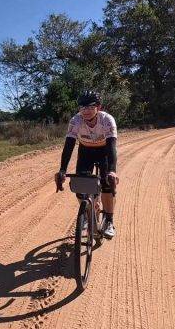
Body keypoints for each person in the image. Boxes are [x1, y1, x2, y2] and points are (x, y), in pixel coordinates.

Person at [55, 90, 119, 238]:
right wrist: (62, 170)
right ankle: (88, 212)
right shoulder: (75, 121)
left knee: (107, 184)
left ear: (98, 107)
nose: (86, 111)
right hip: (86, 152)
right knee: (80, 186)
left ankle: (109, 220)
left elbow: (111, 146)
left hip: (104, 151)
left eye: (90, 107)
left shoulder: (107, 120)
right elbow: (69, 145)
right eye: (82, 107)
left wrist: (112, 171)